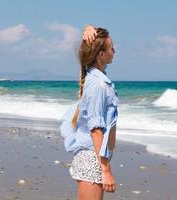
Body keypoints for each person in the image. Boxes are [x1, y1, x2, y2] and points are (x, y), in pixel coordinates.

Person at [60, 25, 118, 200]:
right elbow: (95, 129)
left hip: (95, 157)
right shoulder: (98, 84)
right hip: (93, 159)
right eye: (111, 48)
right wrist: (105, 170)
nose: (114, 51)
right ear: (101, 54)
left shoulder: (92, 76)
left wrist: (88, 28)